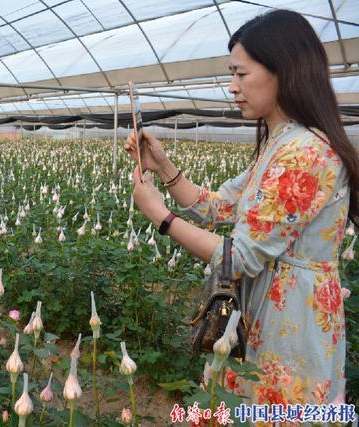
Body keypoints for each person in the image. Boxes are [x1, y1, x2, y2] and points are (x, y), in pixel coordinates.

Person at [125, 9, 358, 408]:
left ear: (284, 70)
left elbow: (243, 256)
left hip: (292, 327)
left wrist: (162, 218)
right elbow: (220, 208)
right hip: (263, 314)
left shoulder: (305, 153)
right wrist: (162, 166)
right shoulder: (280, 143)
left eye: (241, 74)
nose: (232, 87)